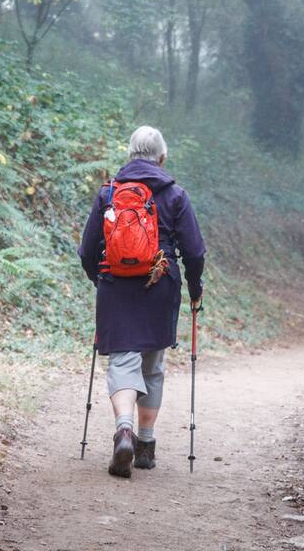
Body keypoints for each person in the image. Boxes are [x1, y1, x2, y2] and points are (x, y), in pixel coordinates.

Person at [77, 126, 205, 478]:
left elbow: (88, 250)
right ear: (162, 158)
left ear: (130, 154)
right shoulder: (175, 194)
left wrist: (100, 279)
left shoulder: (109, 192)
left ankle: (123, 431)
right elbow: (194, 252)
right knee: (153, 365)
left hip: (115, 286)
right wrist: (195, 289)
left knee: (121, 362)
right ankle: (145, 444)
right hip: (160, 286)